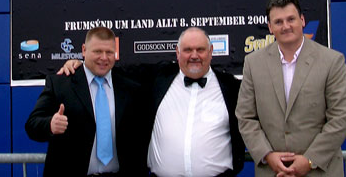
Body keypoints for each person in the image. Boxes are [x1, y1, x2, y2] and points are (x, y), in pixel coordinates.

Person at [60, 26, 245, 176]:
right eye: (188, 50)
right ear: (177, 53)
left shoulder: (231, 88)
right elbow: (108, 69)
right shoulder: (157, 79)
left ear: (211, 52)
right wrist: (80, 65)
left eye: (200, 50)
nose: (194, 55)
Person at [235, 0, 346, 177]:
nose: (286, 26)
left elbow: (341, 117)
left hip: (320, 171)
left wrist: (310, 160)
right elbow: (245, 117)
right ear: (270, 27)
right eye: (278, 22)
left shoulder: (332, 61)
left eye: (291, 19)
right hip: (272, 171)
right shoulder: (253, 63)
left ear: (302, 20)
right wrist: (267, 155)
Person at [25, 27, 146, 176]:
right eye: (97, 51)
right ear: (84, 50)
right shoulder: (60, 84)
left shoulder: (130, 86)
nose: (104, 58)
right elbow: (32, 125)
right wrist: (50, 124)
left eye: (109, 52)